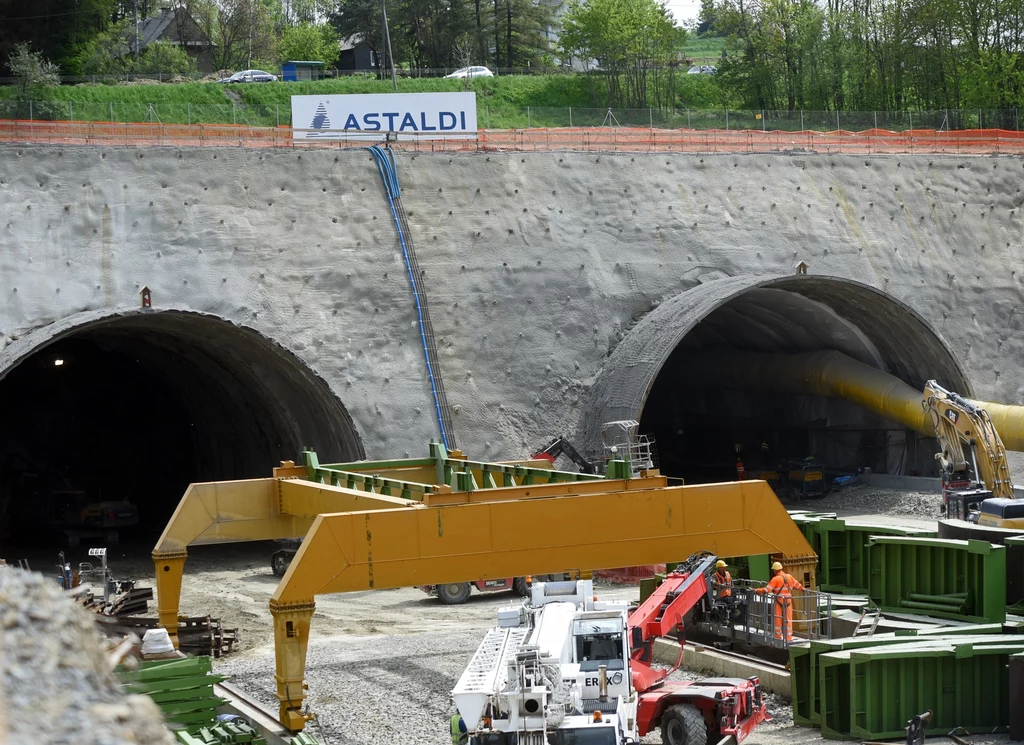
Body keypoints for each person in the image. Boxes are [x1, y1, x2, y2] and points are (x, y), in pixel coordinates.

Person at [755, 561, 804, 641]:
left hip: (779, 601)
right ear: (781, 569)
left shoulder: (775, 579)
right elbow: (797, 585)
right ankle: (788, 637)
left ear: (775, 570)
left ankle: (778, 636)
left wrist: (757, 590)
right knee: (788, 619)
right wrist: (802, 589)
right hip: (788, 601)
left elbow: (767, 589)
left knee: (778, 618)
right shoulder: (789, 577)